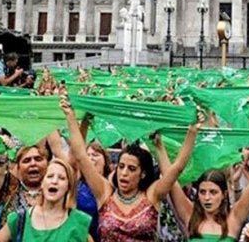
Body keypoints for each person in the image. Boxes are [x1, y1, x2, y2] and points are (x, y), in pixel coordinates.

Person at [61, 98, 201, 242]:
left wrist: (192, 131)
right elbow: (81, 157)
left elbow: (176, 168)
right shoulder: (104, 193)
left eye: (131, 168)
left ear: (143, 174)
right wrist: (70, 116)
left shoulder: (152, 196)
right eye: (121, 166)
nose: (124, 173)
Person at [163, 144, 249, 241]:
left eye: (213, 192)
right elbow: (171, 181)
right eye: (202, 192)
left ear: (224, 195)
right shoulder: (190, 215)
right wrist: (159, 148)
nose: (207, 197)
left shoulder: (233, 218)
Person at [0, 158, 93, 242]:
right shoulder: (20, 219)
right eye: (50, 176)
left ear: (68, 186)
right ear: (42, 183)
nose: (54, 181)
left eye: (61, 178)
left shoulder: (80, 221)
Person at [0, 144, 49, 231]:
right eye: (26, 161)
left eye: (38, 159)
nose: (33, 163)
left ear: (48, 165)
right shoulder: (7, 192)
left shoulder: (59, 193)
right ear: (18, 169)